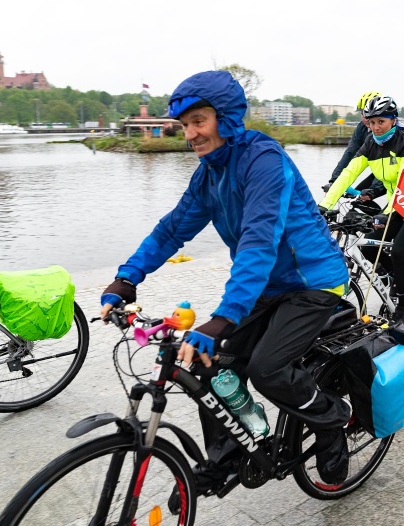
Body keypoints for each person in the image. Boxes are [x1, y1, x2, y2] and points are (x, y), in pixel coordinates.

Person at [99, 71, 352, 490]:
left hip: (312, 281)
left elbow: (258, 241)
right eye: (184, 125)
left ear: (227, 117)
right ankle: (227, 458)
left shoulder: (264, 160)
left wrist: (223, 317)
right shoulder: (209, 173)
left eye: (199, 121)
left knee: (267, 368)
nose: (190, 134)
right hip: (266, 287)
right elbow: (171, 230)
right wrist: (126, 279)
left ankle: (331, 421)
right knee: (213, 368)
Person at [317, 95, 404, 326]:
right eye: (371, 122)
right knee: (367, 246)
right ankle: (397, 279)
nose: (375, 127)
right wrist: (325, 205)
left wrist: (386, 212)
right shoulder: (371, 143)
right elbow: (349, 173)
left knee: (399, 252)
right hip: (394, 205)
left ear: (393, 120)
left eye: (380, 121)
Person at [321, 91, 385, 216]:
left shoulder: (384, 132)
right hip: (378, 171)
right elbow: (350, 153)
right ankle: (375, 223)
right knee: (358, 200)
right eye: (363, 113)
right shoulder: (362, 128)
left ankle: (383, 225)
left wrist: (374, 191)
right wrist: (335, 180)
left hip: (396, 176)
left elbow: (387, 165)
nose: (366, 118)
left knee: (373, 200)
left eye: (370, 114)